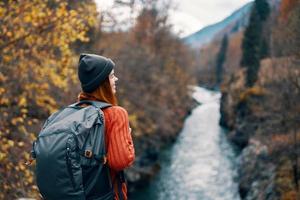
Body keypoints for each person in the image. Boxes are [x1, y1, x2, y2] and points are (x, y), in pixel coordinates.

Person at [77, 53, 135, 200]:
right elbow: (121, 161)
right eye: (111, 76)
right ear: (102, 83)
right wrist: (127, 137)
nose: (116, 79)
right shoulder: (116, 114)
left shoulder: (75, 112)